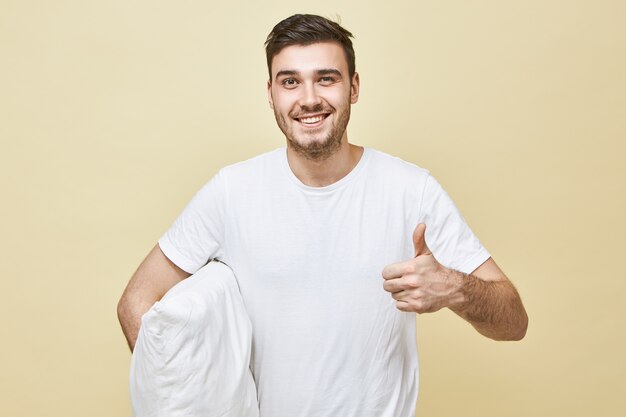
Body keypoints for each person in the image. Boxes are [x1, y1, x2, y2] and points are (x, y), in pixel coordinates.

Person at [117, 13, 528, 417]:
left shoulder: (410, 190)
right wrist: (182, 400)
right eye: (290, 81)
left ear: (354, 87)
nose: (309, 98)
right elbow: (136, 301)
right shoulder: (231, 191)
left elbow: (513, 322)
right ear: (271, 93)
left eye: (326, 78)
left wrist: (454, 288)